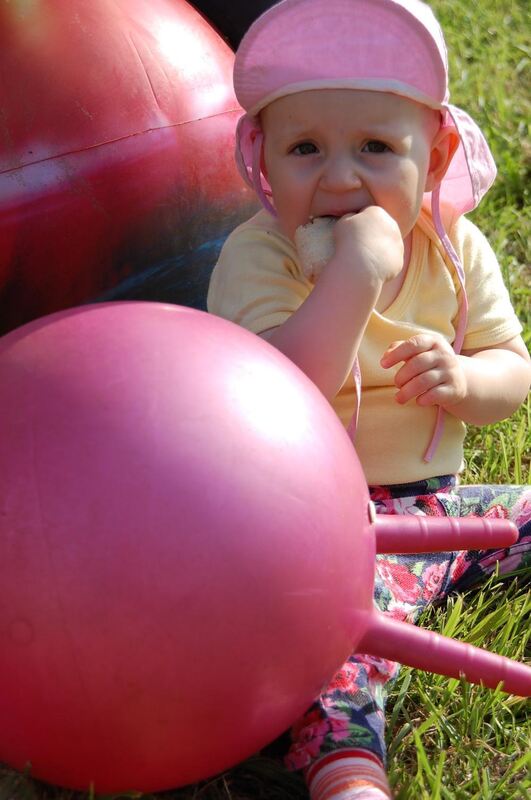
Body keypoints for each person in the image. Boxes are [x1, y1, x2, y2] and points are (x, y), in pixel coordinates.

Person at [207, 0, 531, 797]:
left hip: (436, 517)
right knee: (330, 640)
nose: (341, 176)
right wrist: (356, 272)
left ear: (437, 150)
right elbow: (275, 396)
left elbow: (511, 370)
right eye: (304, 148)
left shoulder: (453, 246)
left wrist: (467, 381)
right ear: (260, 158)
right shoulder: (259, 257)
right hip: (316, 533)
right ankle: (348, 773)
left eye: (377, 148)